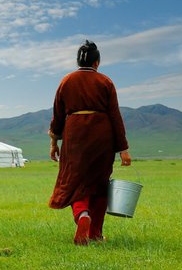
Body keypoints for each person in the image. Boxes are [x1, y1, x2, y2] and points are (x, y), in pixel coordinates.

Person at [48, 40, 132, 245]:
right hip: (102, 136)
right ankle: (95, 233)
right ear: (97, 62)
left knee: (74, 181)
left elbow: (58, 115)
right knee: (99, 183)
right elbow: (115, 116)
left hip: (74, 136)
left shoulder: (66, 81)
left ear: (78, 61)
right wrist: (123, 149)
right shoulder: (105, 82)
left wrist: (54, 143)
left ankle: (82, 215)